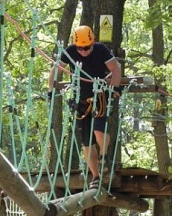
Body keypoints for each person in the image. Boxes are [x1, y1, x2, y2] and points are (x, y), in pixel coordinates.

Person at [48, 25, 122, 188]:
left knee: (98, 131)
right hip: (81, 99)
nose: (83, 51)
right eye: (80, 48)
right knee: (87, 143)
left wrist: (115, 87)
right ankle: (96, 177)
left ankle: (104, 156)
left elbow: (115, 69)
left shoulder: (101, 50)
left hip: (100, 94)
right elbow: (56, 70)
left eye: (86, 48)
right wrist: (51, 90)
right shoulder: (70, 51)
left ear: (92, 43)